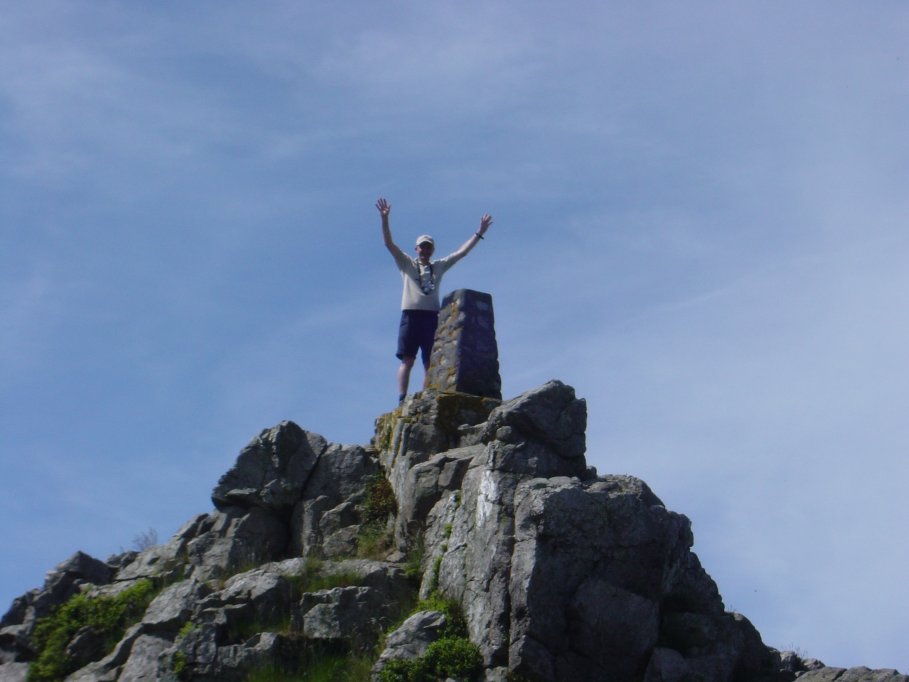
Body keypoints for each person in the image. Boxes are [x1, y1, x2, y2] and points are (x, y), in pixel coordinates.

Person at [377, 197, 493, 403]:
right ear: (416, 249)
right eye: (422, 247)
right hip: (411, 316)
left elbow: (461, 253)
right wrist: (384, 218)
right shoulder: (406, 264)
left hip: (431, 317)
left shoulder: (437, 266)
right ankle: (402, 397)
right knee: (407, 359)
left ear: (432, 250)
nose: (425, 250)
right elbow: (388, 243)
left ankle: (425, 396)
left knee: (429, 361)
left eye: (428, 247)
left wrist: (479, 233)